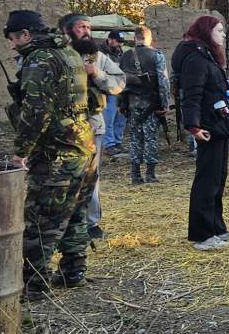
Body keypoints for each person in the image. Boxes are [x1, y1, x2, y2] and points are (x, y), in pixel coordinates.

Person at [4, 10, 96, 299]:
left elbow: (36, 112)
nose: (11, 45)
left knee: (40, 220)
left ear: (26, 35)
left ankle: (33, 286)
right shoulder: (67, 53)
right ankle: (73, 271)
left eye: (13, 38)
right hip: (83, 146)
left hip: (58, 152)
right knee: (74, 212)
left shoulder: (39, 60)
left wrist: (21, 152)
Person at [172, 15, 229, 250]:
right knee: (206, 180)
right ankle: (201, 234)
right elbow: (192, 95)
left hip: (219, 126)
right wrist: (193, 127)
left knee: (218, 178)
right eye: (219, 30)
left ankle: (217, 228)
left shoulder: (208, 56)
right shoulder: (195, 58)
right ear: (206, 32)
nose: (223, 34)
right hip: (208, 128)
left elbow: (213, 87)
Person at [59, 13, 125, 241]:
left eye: (88, 26)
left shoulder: (97, 56)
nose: (86, 31)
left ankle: (91, 223)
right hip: (62, 128)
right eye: (80, 27)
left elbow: (119, 82)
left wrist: (96, 74)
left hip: (92, 125)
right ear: (66, 31)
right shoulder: (55, 55)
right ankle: (62, 223)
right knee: (61, 176)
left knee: (91, 176)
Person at [119, 26, 170, 185]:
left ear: (135, 38)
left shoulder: (125, 56)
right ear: (149, 39)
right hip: (151, 104)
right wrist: (165, 103)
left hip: (132, 104)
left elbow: (119, 81)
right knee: (151, 139)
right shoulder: (157, 55)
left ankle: (135, 176)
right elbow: (163, 82)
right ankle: (150, 175)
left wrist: (121, 103)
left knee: (134, 138)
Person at [103, 30, 127, 154]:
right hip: (108, 90)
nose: (120, 45)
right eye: (118, 42)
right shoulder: (101, 53)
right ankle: (109, 144)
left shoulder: (120, 53)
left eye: (122, 42)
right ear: (110, 40)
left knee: (120, 118)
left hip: (121, 89)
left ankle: (118, 142)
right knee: (108, 118)